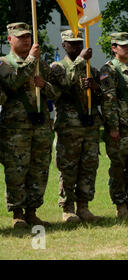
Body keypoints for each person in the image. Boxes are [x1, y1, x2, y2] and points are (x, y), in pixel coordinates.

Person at [0, 22, 58, 229]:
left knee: (39, 169)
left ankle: (32, 211)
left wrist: (45, 85)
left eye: (28, 37)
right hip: (15, 129)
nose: (26, 40)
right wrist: (31, 59)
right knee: (17, 171)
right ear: (10, 40)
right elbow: (13, 83)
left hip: (40, 126)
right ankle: (17, 213)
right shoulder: (4, 63)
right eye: (21, 37)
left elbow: (54, 94)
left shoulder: (40, 65)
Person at [50, 30, 103, 223]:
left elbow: (102, 98)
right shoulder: (57, 67)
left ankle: (84, 207)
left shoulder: (91, 69)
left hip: (89, 125)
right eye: (72, 43)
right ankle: (67, 208)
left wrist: (96, 88)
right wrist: (80, 60)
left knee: (89, 167)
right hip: (69, 127)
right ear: (64, 45)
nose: (77, 46)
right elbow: (64, 84)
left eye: (79, 43)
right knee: (68, 167)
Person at [99, 32, 128, 219]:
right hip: (120, 127)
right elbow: (108, 100)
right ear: (114, 48)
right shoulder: (109, 69)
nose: (127, 48)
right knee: (118, 167)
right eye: (122, 45)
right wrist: (113, 127)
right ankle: (120, 205)